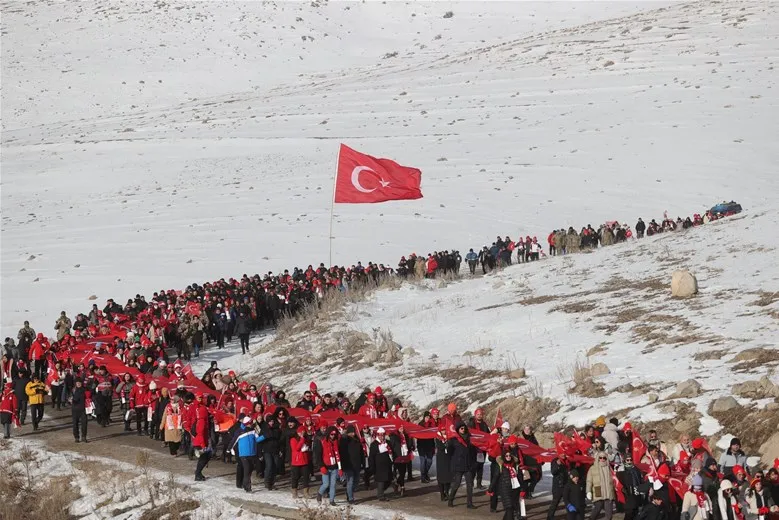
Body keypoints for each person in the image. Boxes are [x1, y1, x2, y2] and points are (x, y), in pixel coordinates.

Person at [230, 416, 266, 493]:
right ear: (246, 424)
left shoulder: (253, 431)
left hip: (252, 453)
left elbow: (257, 439)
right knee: (247, 469)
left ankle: (244, 483)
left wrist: (264, 436)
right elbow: (234, 441)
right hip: (243, 454)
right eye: (250, 423)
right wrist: (229, 449)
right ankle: (247, 487)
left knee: (250, 470)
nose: (251, 425)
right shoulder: (240, 431)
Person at [447, 421, 476, 509]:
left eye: (464, 428)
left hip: (468, 465)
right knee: (457, 483)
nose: (463, 430)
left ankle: (469, 503)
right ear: (458, 430)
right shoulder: (454, 439)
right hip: (458, 465)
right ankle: (451, 499)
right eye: (461, 428)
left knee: (470, 484)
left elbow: (473, 451)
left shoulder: (469, 438)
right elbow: (450, 452)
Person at [315, 425, 342, 506]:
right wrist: (321, 466)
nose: (333, 436)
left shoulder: (336, 442)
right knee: (326, 484)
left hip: (334, 467)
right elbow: (318, 455)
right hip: (325, 467)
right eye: (331, 434)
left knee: (333, 484)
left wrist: (340, 468)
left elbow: (338, 455)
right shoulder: (322, 442)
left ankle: (332, 500)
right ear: (328, 434)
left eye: (334, 435)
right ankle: (319, 493)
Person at [586, 451, 616, 520]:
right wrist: (588, 491)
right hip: (598, 490)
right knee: (597, 507)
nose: (602, 459)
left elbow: (614, 480)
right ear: (598, 458)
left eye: (604, 458)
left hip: (608, 492)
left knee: (609, 513)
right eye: (600, 457)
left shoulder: (609, 468)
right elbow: (589, 481)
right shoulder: (593, 468)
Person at [369, 427, 393, 502]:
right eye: (380, 435)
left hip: (387, 464)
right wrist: (372, 466)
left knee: (389, 479)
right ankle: (380, 495)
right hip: (378, 466)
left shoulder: (388, 442)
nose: (382, 437)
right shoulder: (374, 444)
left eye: (383, 435)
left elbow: (391, 452)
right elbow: (371, 456)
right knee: (381, 481)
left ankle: (381, 491)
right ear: (378, 435)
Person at [339, 424, 362, 504]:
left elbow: (361, 452)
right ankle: (351, 498)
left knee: (356, 481)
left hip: (357, 464)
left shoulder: (357, 440)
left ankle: (349, 493)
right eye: (351, 432)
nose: (353, 434)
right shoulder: (345, 440)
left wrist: (362, 462)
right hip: (348, 464)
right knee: (350, 481)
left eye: (353, 432)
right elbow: (341, 452)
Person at [191, 393, 212, 481]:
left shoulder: (201, 420)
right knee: (204, 457)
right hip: (200, 442)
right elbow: (200, 434)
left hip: (200, 441)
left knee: (205, 457)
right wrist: (203, 446)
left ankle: (198, 473)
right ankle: (197, 474)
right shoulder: (202, 422)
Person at [71, 378, 89, 443]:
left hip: (83, 409)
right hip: (75, 409)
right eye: (77, 382)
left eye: (79, 382)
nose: (78, 384)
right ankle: (76, 437)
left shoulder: (85, 389)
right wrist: (71, 400)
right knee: (75, 424)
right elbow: (71, 398)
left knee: (84, 423)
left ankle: (84, 437)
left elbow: (89, 396)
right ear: (75, 383)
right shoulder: (73, 390)